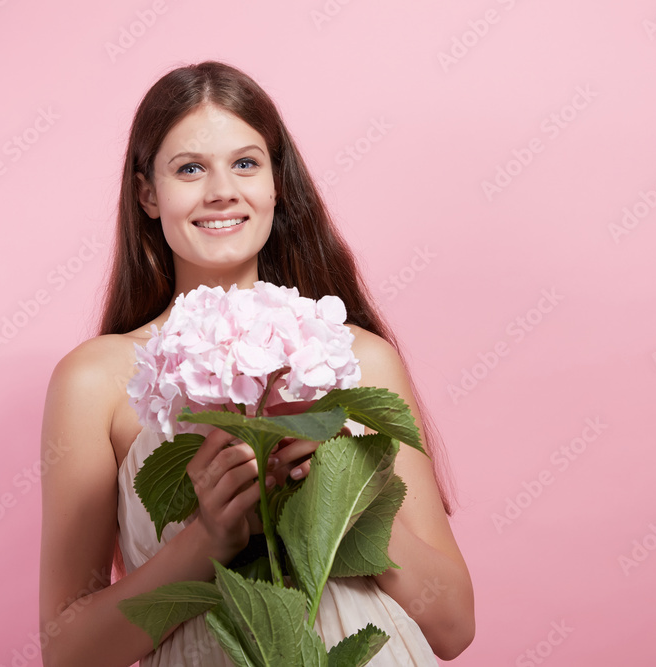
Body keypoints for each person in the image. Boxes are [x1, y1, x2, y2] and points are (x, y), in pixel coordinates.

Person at [38, 60, 475, 666]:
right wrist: (204, 541)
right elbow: (68, 654)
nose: (221, 190)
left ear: (277, 184)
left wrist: (339, 502)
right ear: (147, 193)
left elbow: (453, 625)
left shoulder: (356, 360)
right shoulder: (98, 381)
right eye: (190, 169)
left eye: (245, 163)